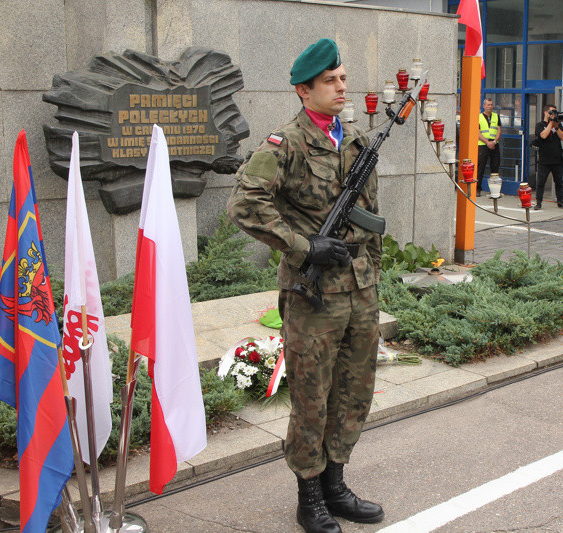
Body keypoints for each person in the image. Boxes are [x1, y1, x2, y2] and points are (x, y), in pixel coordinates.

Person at [227, 38, 384, 533]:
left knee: (354, 392)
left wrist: (374, 276)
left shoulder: (355, 140)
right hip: (313, 295)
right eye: (330, 81)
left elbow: (372, 218)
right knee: (312, 398)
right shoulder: (285, 143)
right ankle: (309, 495)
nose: (341, 87)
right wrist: (302, 246)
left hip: (359, 289)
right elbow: (245, 205)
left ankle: (336, 484)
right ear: (304, 90)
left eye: (342, 78)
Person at [533, 104, 563, 210]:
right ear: (546, 113)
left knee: (559, 181)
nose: (554, 114)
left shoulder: (557, 124)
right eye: (552, 112)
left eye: (555, 112)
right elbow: (543, 135)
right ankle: (539, 202)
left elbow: (562, 137)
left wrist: (556, 126)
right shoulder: (540, 125)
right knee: (541, 182)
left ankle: (560, 201)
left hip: (557, 159)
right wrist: (550, 124)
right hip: (544, 159)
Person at [477, 97, 501, 191]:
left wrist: (494, 142)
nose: (490, 106)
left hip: (495, 144)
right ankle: (477, 188)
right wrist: (487, 142)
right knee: (480, 167)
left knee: (495, 166)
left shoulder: (496, 116)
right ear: (484, 106)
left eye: (491, 105)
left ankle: (494, 190)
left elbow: (499, 130)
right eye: (488, 105)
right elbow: (477, 132)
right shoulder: (478, 117)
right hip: (483, 144)